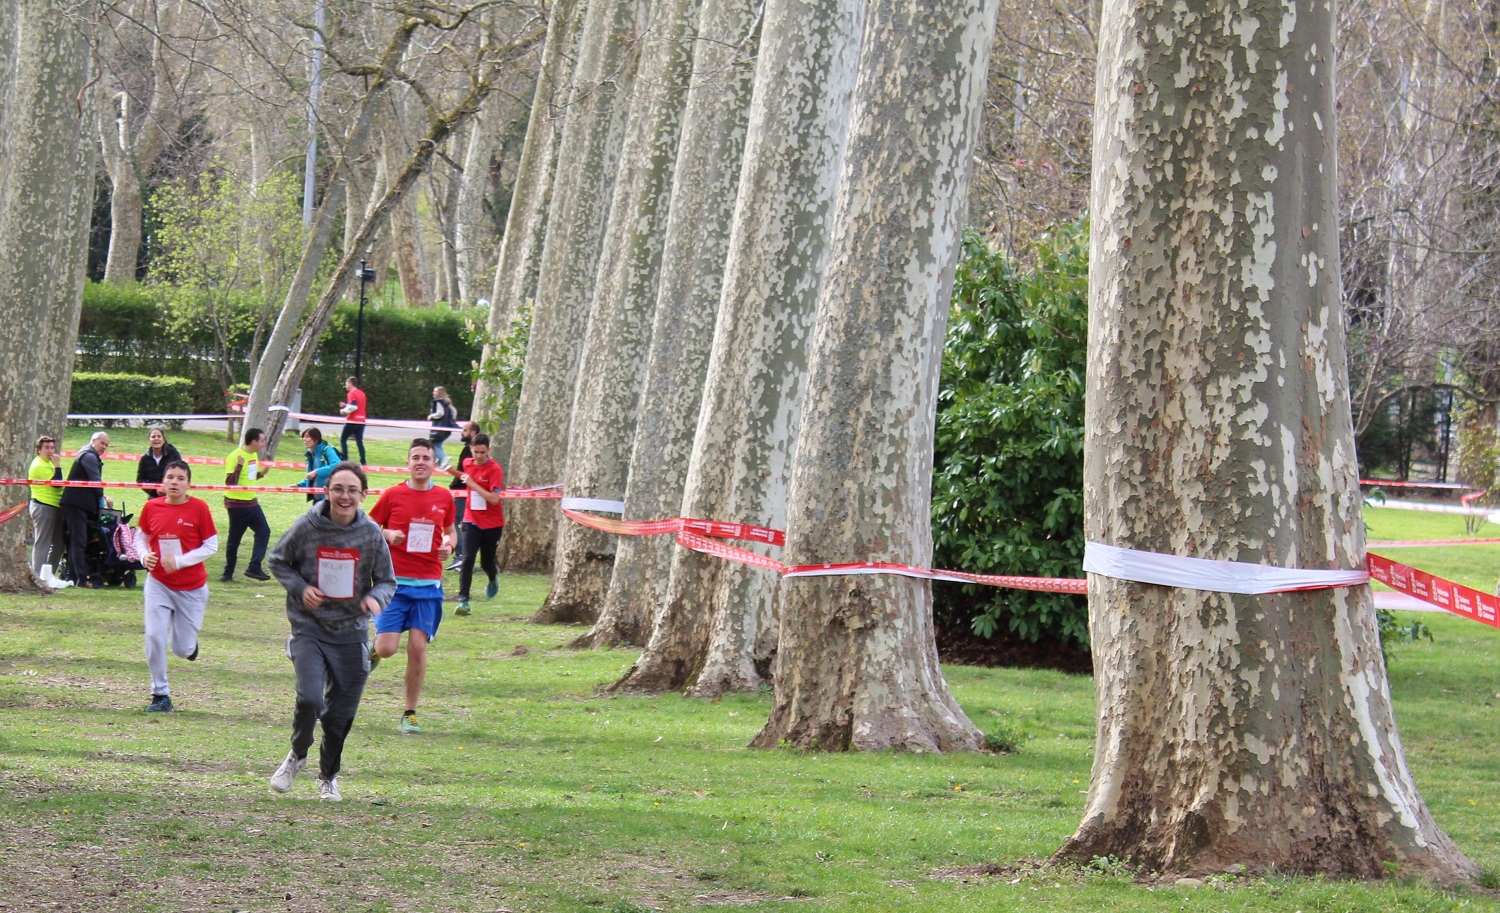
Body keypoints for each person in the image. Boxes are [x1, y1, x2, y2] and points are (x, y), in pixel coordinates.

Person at [267, 462, 396, 802]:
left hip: (351, 632)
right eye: (338, 489)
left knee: (340, 716)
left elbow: (387, 580)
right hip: (309, 627)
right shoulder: (308, 525)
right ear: (326, 492)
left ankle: (328, 776)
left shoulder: (370, 534)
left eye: (352, 490)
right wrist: (300, 588)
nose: (344, 496)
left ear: (363, 495)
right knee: (310, 698)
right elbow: (277, 560)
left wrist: (374, 597)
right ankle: (297, 754)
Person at [368, 438, 456, 734]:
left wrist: (449, 546)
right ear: (407, 463)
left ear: (434, 464)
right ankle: (373, 650)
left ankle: (410, 713)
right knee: (387, 648)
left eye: (426, 458)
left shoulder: (444, 497)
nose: (420, 462)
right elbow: (368, 526)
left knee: (418, 647)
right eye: (415, 457)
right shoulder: (393, 494)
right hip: (395, 584)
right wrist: (388, 534)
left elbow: (450, 531)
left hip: (428, 585)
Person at [136, 461, 218, 713]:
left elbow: (211, 545)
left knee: (181, 649)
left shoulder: (199, 508)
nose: (174, 482)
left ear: (188, 484)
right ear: (163, 482)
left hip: (191, 588)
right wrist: (144, 556)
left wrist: (180, 561)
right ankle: (160, 695)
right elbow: (141, 537)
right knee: (154, 636)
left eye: (181, 478)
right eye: (170, 477)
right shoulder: (152, 507)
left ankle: (190, 647)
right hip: (158, 583)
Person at [450, 433, 504, 617]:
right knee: (468, 558)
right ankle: (463, 600)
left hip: (492, 523)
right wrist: (450, 470)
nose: (479, 456)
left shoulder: (495, 469)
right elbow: (465, 477)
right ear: (470, 450)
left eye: (482, 452)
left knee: (486, 561)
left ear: (489, 450)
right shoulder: (467, 463)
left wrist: (473, 484)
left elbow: (494, 499)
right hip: (471, 519)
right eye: (475, 452)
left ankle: (492, 576)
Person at [59, 432, 113, 587]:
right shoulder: (88, 456)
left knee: (76, 541)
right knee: (79, 541)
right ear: (93, 441)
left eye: (106, 445)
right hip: (76, 504)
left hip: (77, 504)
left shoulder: (87, 454)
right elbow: (96, 483)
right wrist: (102, 499)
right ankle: (81, 578)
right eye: (102, 443)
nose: (104, 447)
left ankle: (72, 576)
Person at [221, 428, 272, 582]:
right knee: (234, 539)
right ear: (254, 442)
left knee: (264, 531)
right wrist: (238, 466)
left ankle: (254, 566)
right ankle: (228, 573)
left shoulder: (253, 455)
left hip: (252, 502)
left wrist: (261, 474)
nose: (263, 444)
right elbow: (230, 483)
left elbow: (249, 478)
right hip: (237, 505)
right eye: (262, 441)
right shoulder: (235, 456)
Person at [27, 434, 66, 578]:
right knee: (43, 542)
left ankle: (48, 575)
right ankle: (37, 576)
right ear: (39, 450)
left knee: (59, 544)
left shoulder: (48, 463)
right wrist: (58, 465)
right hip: (43, 506)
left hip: (55, 506)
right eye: (46, 448)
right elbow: (57, 484)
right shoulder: (39, 465)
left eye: (52, 448)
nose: (50, 451)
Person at [445, 421, 481, 572]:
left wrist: (450, 470)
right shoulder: (469, 449)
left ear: (472, 433)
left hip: (463, 492)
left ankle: (461, 554)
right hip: (465, 492)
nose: (462, 432)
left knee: (452, 521)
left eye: (465, 430)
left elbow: (467, 475)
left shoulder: (469, 450)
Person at [135, 425, 183, 500]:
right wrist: (155, 491)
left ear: (163, 440)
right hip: (154, 497)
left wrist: (170, 489)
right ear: (149, 441)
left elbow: (182, 473)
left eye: (159, 436)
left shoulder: (173, 453)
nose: (156, 438)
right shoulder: (145, 458)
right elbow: (140, 480)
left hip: (173, 496)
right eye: (153, 437)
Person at [297, 427, 340, 502]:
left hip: (329, 498)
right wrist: (299, 485)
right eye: (303, 437)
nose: (304, 439)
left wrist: (317, 472)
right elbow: (311, 477)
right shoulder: (310, 455)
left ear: (316, 439)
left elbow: (337, 465)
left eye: (307, 437)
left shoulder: (327, 450)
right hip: (317, 498)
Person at [426, 386, 459, 468]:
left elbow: (440, 413)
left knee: (433, 444)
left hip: (438, 429)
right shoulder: (447, 403)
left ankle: (443, 458)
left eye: (435, 391)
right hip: (446, 429)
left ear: (439, 393)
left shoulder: (438, 402)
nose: (433, 393)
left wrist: (431, 416)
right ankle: (442, 464)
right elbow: (454, 411)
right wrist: (451, 421)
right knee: (437, 445)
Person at [339, 376, 368, 465]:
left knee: (343, 439)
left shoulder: (351, 393)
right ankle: (363, 461)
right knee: (359, 441)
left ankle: (344, 460)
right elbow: (357, 405)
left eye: (346, 384)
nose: (345, 386)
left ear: (350, 383)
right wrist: (346, 405)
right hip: (361, 420)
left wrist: (343, 411)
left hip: (352, 421)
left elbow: (354, 407)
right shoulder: (362, 393)